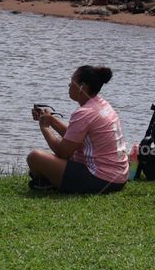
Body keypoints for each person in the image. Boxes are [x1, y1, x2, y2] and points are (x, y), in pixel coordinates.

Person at [27, 65, 128, 194]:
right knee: (48, 161)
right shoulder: (101, 104)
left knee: (35, 157)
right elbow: (76, 139)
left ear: (82, 87)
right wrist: (51, 121)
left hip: (101, 179)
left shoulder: (84, 113)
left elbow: (63, 152)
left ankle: (51, 183)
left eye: (72, 82)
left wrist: (44, 127)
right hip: (118, 178)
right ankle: (50, 181)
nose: (69, 86)